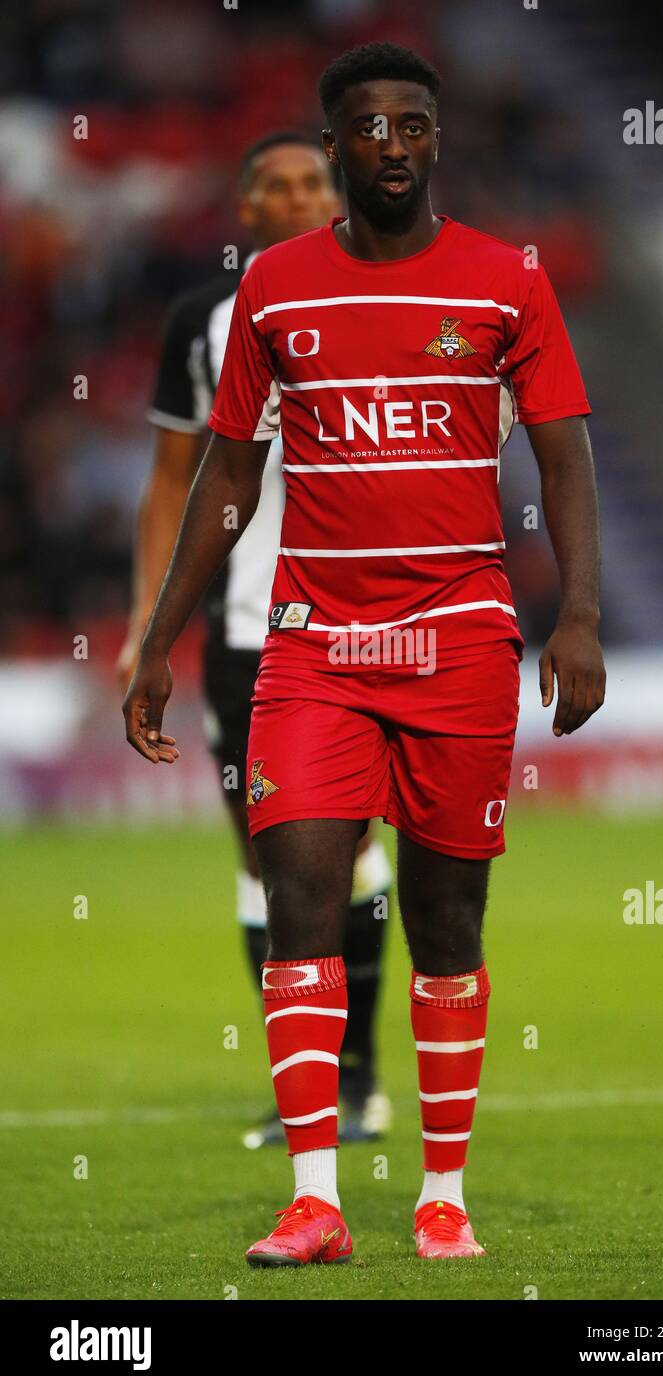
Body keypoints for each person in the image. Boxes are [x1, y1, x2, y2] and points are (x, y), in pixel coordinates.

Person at [123, 41, 606, 1266]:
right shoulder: (272, 289)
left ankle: (441, 1192)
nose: (390, 144)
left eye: (411, 124)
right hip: (310, 650)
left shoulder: (507, 281)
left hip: (455, 647)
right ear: (332, 145)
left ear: (435, 139)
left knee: (446, 918)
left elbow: (563, 457)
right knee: (303, 896)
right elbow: (228, 472)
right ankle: (316, 1199)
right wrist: (158, 635)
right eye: (366, 126)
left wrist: (581, 614)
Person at [118, 131, 393, 1147]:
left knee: (354, 848)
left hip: (369, 617)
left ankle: (358, 1077)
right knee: (267, 857)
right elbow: (170, 482)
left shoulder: (383, 296)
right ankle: (305, 1088)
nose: (291, 195)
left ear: (333, 194)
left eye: (309, 180)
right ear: (244, 210)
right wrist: (149, 617)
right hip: (246, 628)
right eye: (270, 184)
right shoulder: (204, 321)